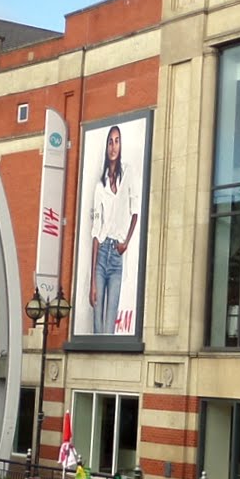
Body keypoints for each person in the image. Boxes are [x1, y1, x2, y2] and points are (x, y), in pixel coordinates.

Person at [84, 125, 139, 334]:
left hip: (116, 255)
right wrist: (92, 283)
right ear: (106, 146)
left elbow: (135, 211)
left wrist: (125, 242)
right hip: (101, 255)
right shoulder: (100, 185)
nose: (113, 146)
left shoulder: (128, 174)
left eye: (117, 141)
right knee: (97, 321)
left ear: (121, 144)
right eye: (110, 141)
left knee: (109, 323)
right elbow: (96, 232)